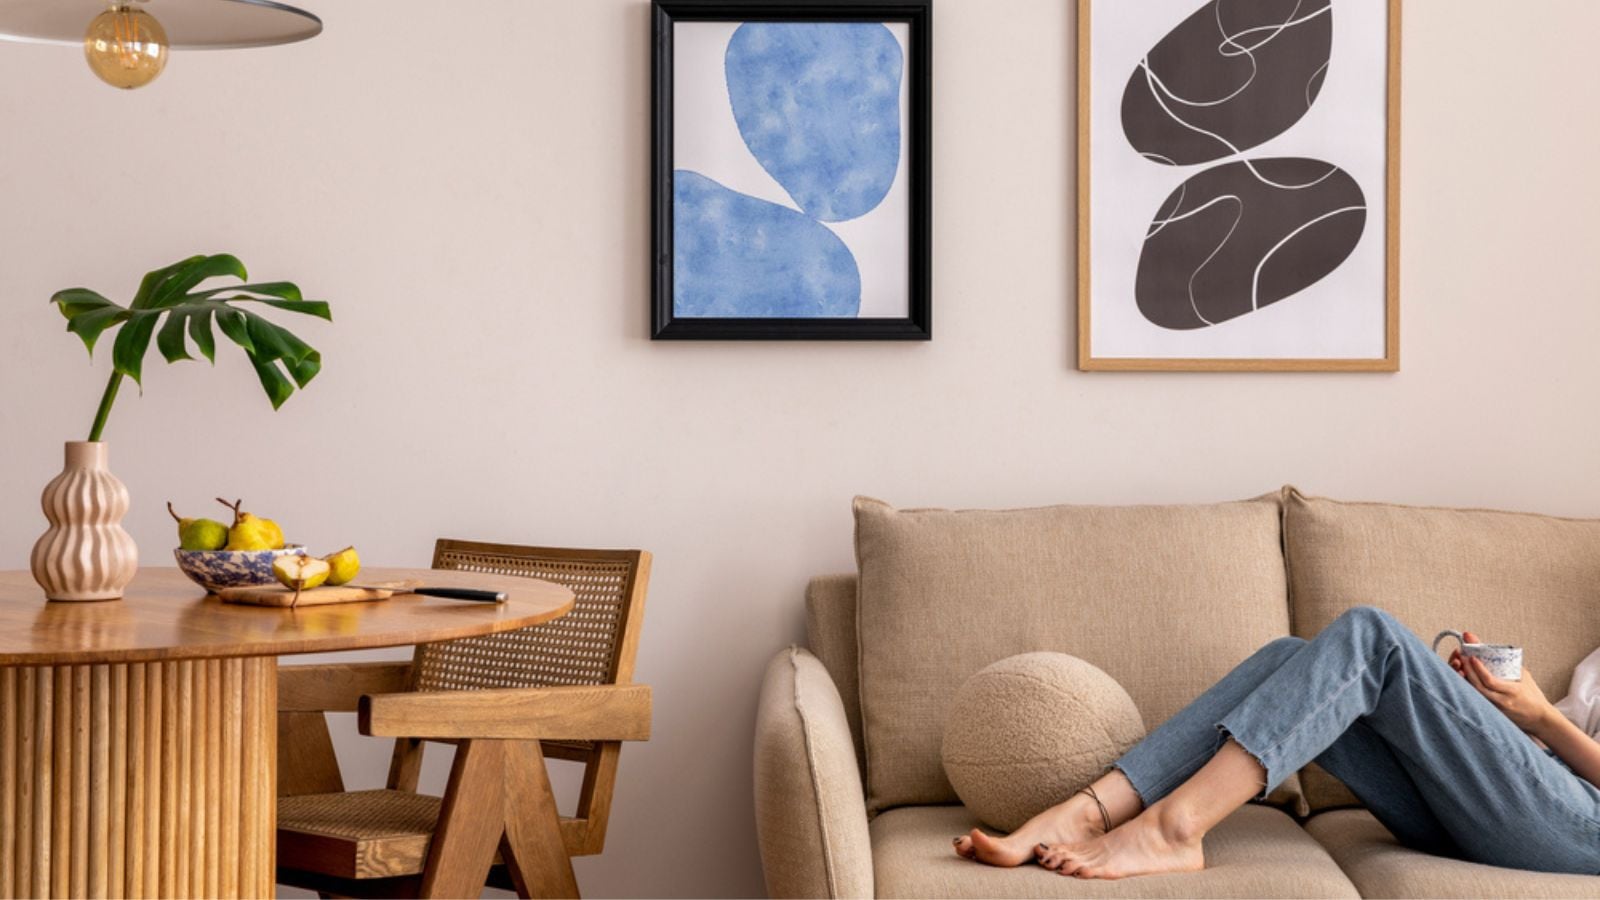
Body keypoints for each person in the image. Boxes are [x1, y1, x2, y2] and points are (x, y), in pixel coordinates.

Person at [952, 606, 1600, 879]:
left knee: (1370, 636)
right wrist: (1519, 717)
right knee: (1292, 660)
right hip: (1524, 799)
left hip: (1580, 826)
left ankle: (1174, 829)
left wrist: (1544, 719)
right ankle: (1086, 811)